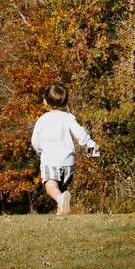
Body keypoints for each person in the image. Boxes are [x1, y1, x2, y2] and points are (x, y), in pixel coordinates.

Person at [30, 82, 99, 216]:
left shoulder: (42, 120)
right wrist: (91, 145)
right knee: (62, 187)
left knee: (51, 186)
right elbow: (80, 134)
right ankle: (61, 212)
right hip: (68, 161)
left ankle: (60, 200)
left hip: (50, 159)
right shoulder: (68, 118)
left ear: (45, 102)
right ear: (65, 102)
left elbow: (35, 142)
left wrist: (39, 152)